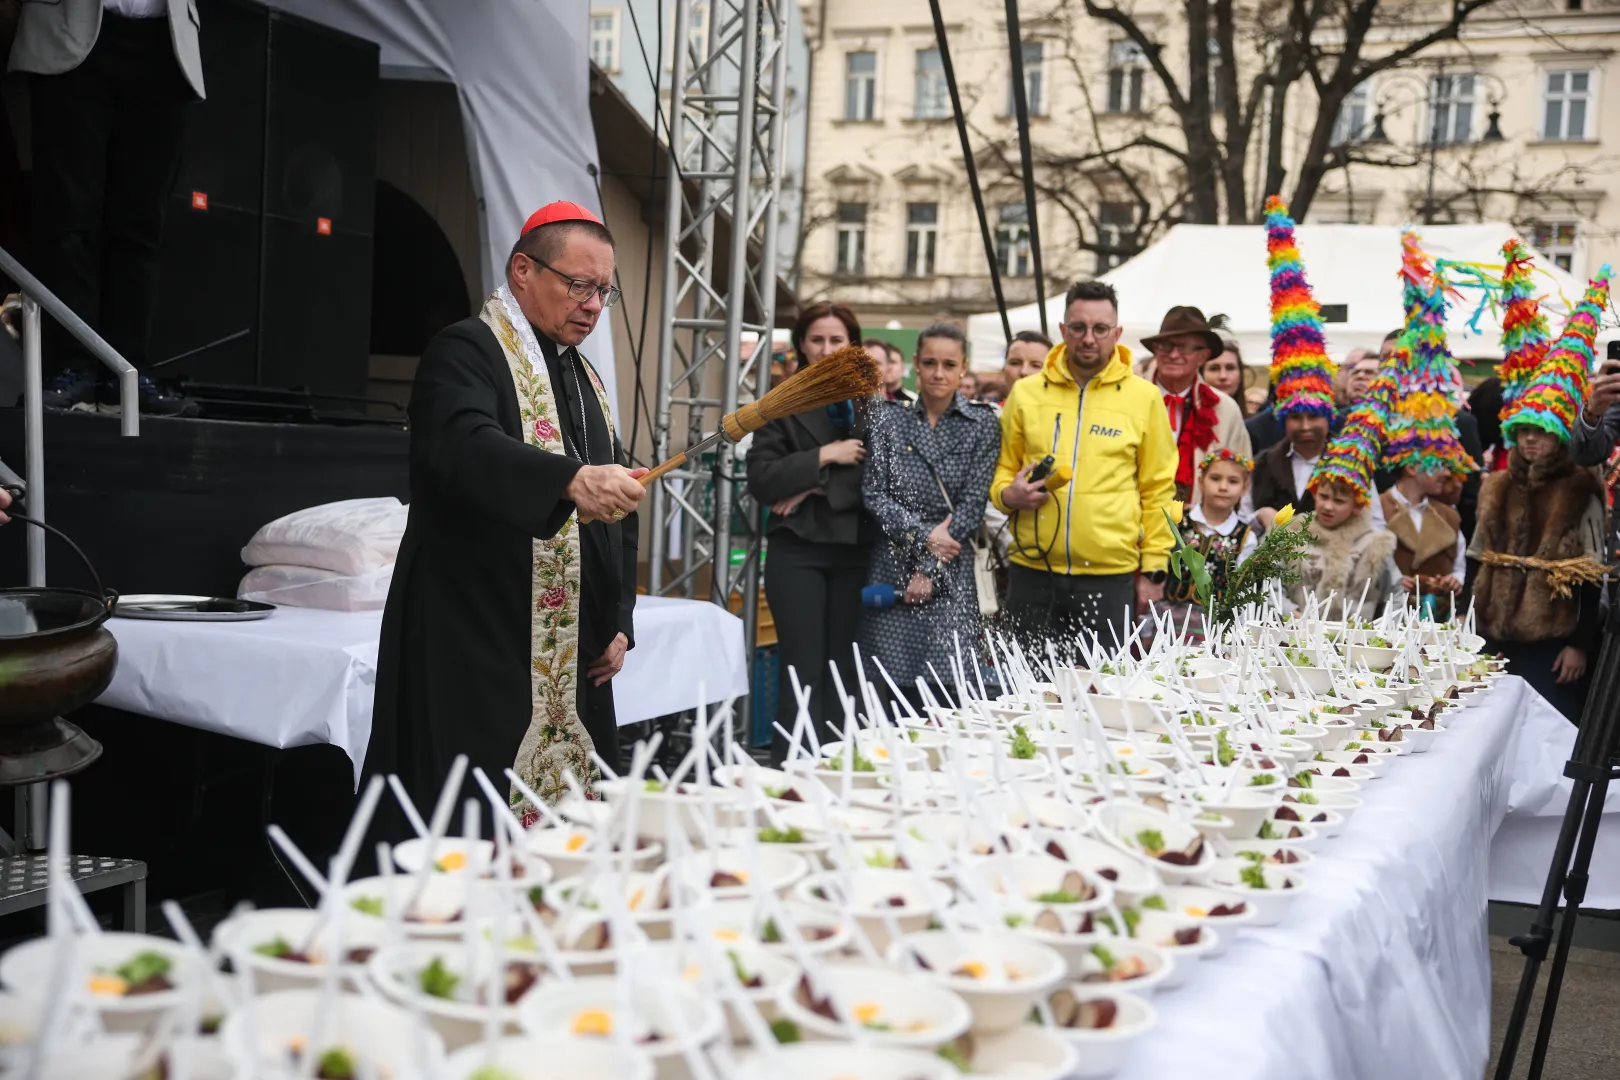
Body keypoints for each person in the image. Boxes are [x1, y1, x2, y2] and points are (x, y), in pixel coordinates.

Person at [372, 201, 646, 822]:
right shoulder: (466, 350)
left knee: (572, 828)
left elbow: (615, 516)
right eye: (579, 285)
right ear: (523, 270)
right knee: (468, 820)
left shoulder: (587, 380)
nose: (594, 306)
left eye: (605, 291)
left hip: (570, 651)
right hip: (478, 634)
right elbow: (462, 446)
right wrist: (570, 479)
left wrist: (617, 618)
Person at [13, 0, 205, 417]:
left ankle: (126, 371)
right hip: (71, 29)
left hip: (164, 40)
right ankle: (72, 366)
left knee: (140, 223)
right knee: (68, 214)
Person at [990, 280, 1177, 650]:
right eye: (1078, 327)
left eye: (1100, 328)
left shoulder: (1145, 398)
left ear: (1117, 333)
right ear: (1063, 330)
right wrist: (1008, 495)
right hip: (1031, 571)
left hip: (1109, 577)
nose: (1088, 338)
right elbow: (1000, 469)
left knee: (1100, 694)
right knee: (1025, 694)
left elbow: (1159, 489)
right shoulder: (1026, 393)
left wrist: (1154, 569)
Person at [1473, 269, 1609, 721]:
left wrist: (1578, 644)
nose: (1531, 441)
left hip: (1552, 640)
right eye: (1524, 432)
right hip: (1492, 635)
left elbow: (1593, 575)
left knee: (1547, 732)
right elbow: (1477, 558)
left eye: (1542, 433)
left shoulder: (1579, 489)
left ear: (1559, 437)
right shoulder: (1495, 485)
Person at [748, 303, 877, 760]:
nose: (826, 350)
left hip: (857, 550)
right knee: (801, 669)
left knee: (845, 668)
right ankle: (793, 775)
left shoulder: (874, 400)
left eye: (836, 340)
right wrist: (826, 457)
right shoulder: (781, 401)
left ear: (852, 344)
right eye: (817, 340)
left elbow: (881, 479)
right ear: (801, 344)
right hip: (796, 551)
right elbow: (762, 479)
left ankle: (843, 771)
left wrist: (808, 487)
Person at [860, 322, 999, 710]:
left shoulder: (983, 424)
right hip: (893, 563)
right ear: (915, 365)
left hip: (949, 567)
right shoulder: (888, 419)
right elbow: (875, 494)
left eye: (949, 364)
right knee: (890, 687)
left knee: (948, 686)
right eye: (931, 362)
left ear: (962, 368)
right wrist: (925, 538)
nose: (939, 373)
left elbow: (973, 503)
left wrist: (930, 565)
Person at [1136, 306, 1251, 503]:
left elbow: (1242, 476)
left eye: (1184, 347)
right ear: (1155, 349)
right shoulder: (1131, 398)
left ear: (1203, 356)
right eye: (1166, 346)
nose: (1173, 354)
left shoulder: (1225, 409)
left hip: (1199, 528)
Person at [1158, 448, 1261, 641]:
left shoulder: (1245, 536)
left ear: (1245, 488)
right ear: (1201, 482)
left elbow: (1241, 590)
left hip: (1215, 628)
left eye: (1233, 481)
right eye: (1215, 478)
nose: (1223, 487)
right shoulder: (1180, 521)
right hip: (1168, 620)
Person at [1286, 476, 1399, 620]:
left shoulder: (1375, 544)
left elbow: (1395, 591)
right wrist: (1290, 612)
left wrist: (1387, 632)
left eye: (1339, 501)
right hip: (1297, 634)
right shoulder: (1291, 533)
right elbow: (1272, 587)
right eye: (1323, 496)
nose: (1328, 506)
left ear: (1357, 506)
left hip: (1355, 638)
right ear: (1314, 493)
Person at [1381, 466, 1465, 621]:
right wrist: (1390, 578)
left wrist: (1456, 579)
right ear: (1412, 468)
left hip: (1434, 625)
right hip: (1387, 621)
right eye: (1437, 464)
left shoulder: (1449, 515)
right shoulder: (1378, 509)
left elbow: (1459, 566)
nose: (1446, 473)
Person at [872, 339, 914, 404]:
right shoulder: (868, 400)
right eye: (886, 362)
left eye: (892, 362)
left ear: (903, 368)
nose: (888, 367)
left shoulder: (913, 401)